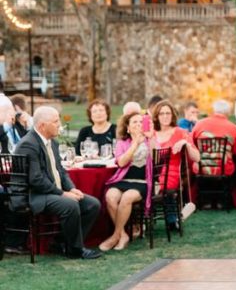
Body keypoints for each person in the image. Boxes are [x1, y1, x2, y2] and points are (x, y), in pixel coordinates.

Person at [13, 106, 102, 259]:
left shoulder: (51, 142)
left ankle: (61, 243)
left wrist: (72, 189)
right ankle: (75, 250)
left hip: (51, 192)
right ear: (42, 126)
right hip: (34, 195)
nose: (59, 125)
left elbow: (61, 170)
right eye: (55, 122)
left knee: (92, 204)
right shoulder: (28, 144)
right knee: (71, 205)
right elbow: (36, 180)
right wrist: (62, 193)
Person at [100, 112, 152, 251]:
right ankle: (122, 235)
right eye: (134, 122)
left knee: (127, 197)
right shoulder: (122, 143)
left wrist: (148, 136)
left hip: (142, 182)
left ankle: (114, 236)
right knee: (110, 196)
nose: (138, 124)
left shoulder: (151, 141)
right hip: (123, 180)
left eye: (141, 121)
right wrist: (135, 143)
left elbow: (158, 156)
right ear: (128, 128)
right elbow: (122, 162)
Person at [192, 99, 236, 177]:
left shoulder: (199, 124)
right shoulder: (232, 127)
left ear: (214, 110)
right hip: (224, 169)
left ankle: (194, 187)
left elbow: (192, 144)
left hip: (201, 168)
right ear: (227, 112)